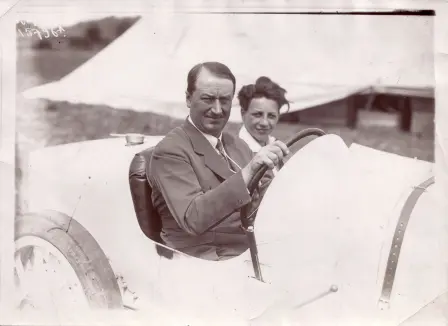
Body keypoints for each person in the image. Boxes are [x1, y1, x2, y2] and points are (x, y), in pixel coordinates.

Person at [148, 62, 289, 261]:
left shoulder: (237, 145)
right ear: (188, 99)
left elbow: (272, 200)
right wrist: (248, 172)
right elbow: (193, 219)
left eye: (224, 100)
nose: (217, 109)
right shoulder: (171, 150)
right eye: (208, 99)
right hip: (202, 261)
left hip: (248, 254)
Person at [237, 76, 290, 173]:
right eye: (257, 114)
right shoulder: (234, 151)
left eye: (271, 116)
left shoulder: (277, 145)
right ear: (243, 113)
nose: (264, 123)